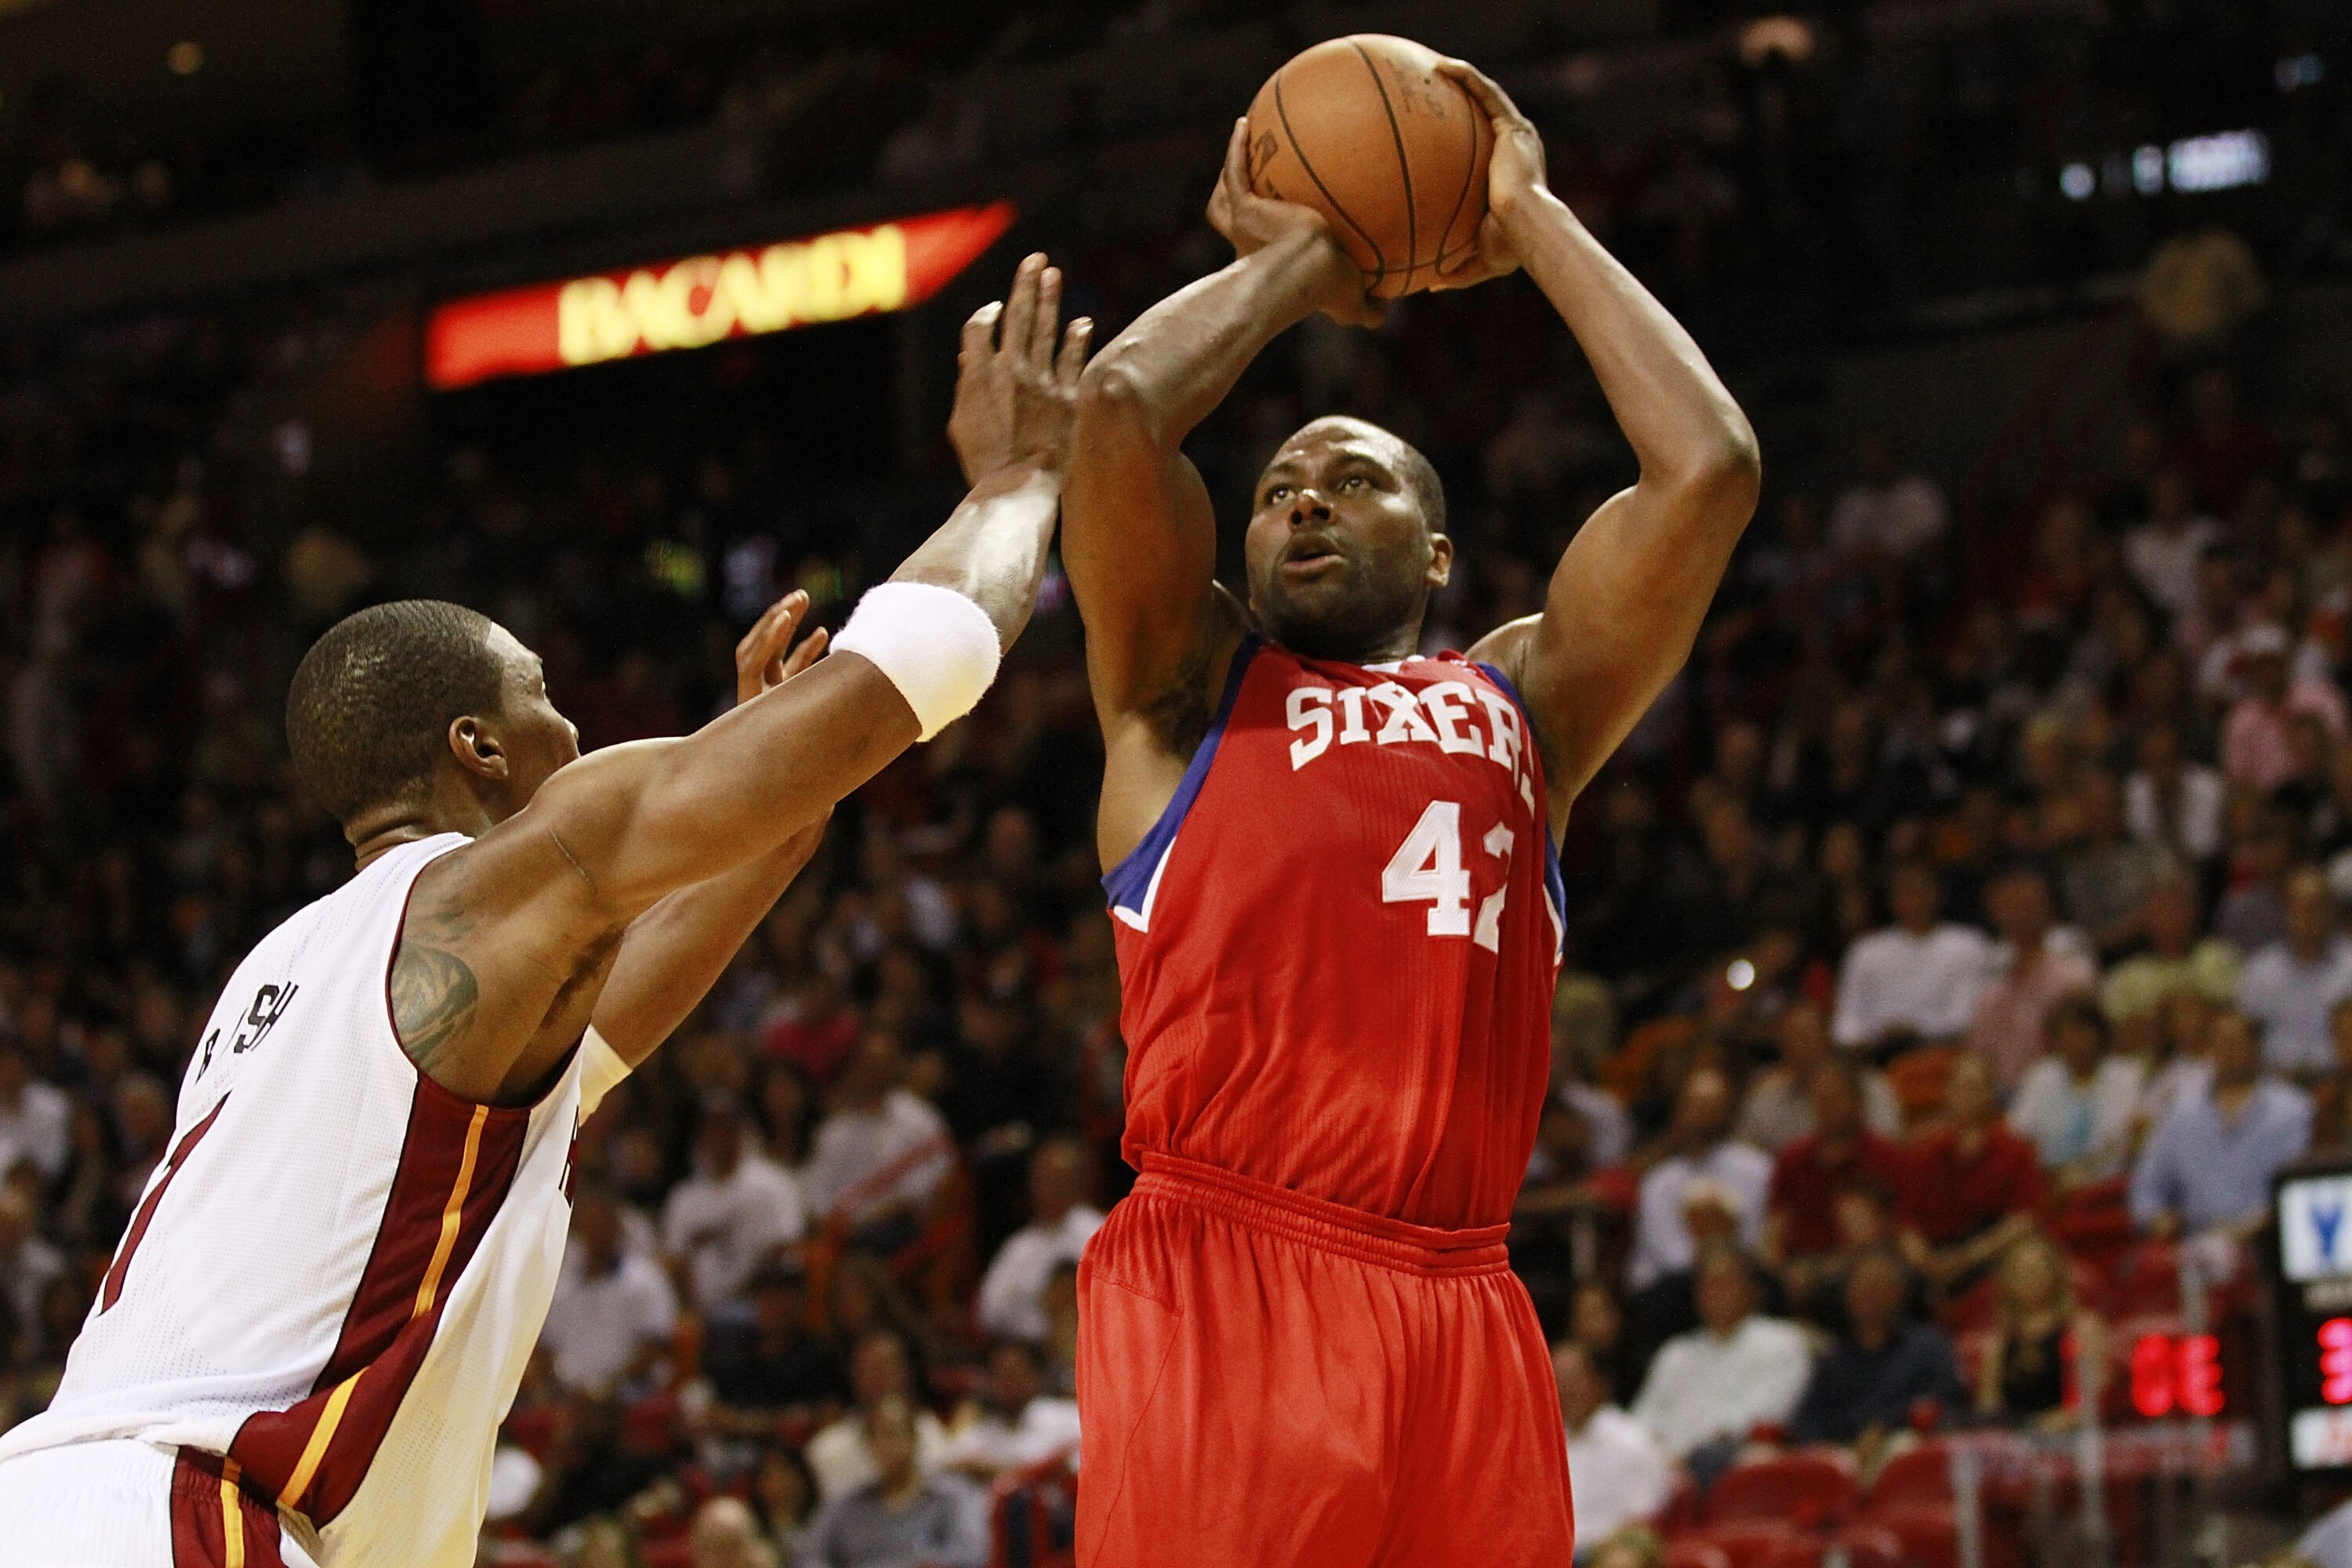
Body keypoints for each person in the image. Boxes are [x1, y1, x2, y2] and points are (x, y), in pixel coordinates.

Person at [0, 256, 1090, 1568]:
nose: (573, 729)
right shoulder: (494, 883)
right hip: (182, 1518)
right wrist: (1018, 482)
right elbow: (914, 671)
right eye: (545, 701)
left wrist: (786, 809)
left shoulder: (284, 978)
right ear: (479, 747)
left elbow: (599, 1044)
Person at [1059, 57, 1758, 1567]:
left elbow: (1708, 468)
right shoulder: (1186, 690)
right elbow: (1117, 412)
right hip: (1231, 1277)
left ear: (1438, 553)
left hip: (1467, 1299)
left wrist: (1529, 212)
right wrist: (1297, 262)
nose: (1304, 498)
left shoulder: (1527, 704)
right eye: (1279, 488)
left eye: (1353, 479)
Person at [2129, 1008, 2313, 1249]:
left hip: (2271, 1242)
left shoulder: (2292, 1109)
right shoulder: (2181, 1113)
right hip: (2195, 1242)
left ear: (2255, 1047)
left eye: (2237, 1042)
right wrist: (2159, 1219)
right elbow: (2146, 1191)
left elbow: (2302, 1188)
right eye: (2221, 1042)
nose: (2229, 1051)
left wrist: (2257, 1226)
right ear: (2209, 1049)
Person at [1630, 1244, 1809, 1480]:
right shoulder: (1675, 1352)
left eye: (1726, 1282)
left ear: (1753, 1290)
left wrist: (1687, 1455)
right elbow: (1644, 1419)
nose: (1716, 1292)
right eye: (1708, 1284)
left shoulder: (1781, 1342)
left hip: (1730, 1468)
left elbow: (1766, 1416)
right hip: (1664, 1471)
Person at [1762, 1058, 1909, 1303]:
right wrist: (1773, 1273)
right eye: (1821, 1098)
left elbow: (1901, 1228)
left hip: (1866, 1264)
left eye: (1836, 1097)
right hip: (1802, 1269)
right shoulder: (1792, 1159)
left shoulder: (1887, 1157)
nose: (1828, 1106)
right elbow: (1775, 1230)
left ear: (1857, 1101)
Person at [1788, 1247, 1965, 1449]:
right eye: (1862, 1286)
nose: (1869, 1294)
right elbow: (1807, 1418)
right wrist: (1823, 1449)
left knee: (1903, 1445)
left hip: (1900, 1443)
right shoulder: (1834, 1358)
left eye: (1879, 1285)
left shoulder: (1927, 1347)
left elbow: (1947, 1395)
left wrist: (1887, 1425)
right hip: (1840, 1451)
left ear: (1901, 1292)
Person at [1898, 1051, 2046, 1290]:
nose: (1966, 1096)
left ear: (1991, 1094)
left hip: (1992, 1252)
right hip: (1934, 1256)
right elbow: (1908, 1224)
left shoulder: (2016, 1152)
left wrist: (1966, 1258)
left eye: (1974, 1087)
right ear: (1947, 1092)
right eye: (1959, 1087)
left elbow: (2025, 1220)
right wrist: (1925, 1263)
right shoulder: (1924, 1153)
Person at [800, 1397, 990, 1568]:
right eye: (879, 1437)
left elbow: (972, 1553)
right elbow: (810, 1556)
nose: (888, 1446)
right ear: (869, 1446)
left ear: (914, 1438)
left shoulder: (951, 1496)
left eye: (894, 1434)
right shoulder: (846, 1504)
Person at [1629, 1067, 1773, 1289]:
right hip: (1675, 1285)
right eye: (1696, 1106)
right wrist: (1706, 1271)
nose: (1703, 1115)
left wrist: (1724, 1269)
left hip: (1740, 1279)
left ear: (1728, 1112)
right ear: (1680, 1111)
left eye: (1712, 1107)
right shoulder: (1658, 1182)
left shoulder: (1758, 1169)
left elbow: (1759, 1235)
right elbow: (1663, 1246)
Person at [661, 1094, 807, 1312]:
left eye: (725, 1127)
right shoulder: (684, 1197)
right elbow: (675, 1261)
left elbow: (787, 1246)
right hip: (704, 1311)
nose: (717, 1136)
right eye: (709, 1128)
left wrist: (742, 1291)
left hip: (762, 1306)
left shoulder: (772, 1184)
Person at [1831, 859, 1994, 1051]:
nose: (1913, 898)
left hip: (1942, 1051)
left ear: (1937, 893)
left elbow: (1966, 1015)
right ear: (1892, 899)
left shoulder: (1968, 945)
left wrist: (1917, 1030)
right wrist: (1868, 1037)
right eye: (1904, 891)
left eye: (1919, 889)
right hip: (1874, 1052)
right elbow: (1847, 1017)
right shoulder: (1866, 950)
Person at [539, 1178, 678, 1398]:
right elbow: (546, 1350)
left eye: (602, 1223)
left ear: (617, 1226)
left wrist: (607, 1388)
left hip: (630, 1392)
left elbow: (654, 1349)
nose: (596, 1231)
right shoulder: (562, 1287)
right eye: (590, 1224)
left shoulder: (645, 1280)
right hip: (571, 1395)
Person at [1965, 864, 2096, 1087]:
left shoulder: (2073, 975)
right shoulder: (1990, 981)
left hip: (2055, 1088)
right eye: (2010, 904)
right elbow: (1976, 1053)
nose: (2019, 912)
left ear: (2046, 907)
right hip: (1997, 1092)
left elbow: (2082, 1046)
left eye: (2026, 903)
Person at [975, 1135, 1105, 1345]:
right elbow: (989, 1313)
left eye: (1059, 1181)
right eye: (1043, 1180)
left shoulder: (1100, 1234)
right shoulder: (1019, 1246)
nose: (1049, 1189)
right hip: (1031, 1349)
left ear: (1078, 1183)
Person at [2006, 994, 2147, 1187]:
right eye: (2069, 1033)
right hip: (2049, 1182)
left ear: (2100, 1034)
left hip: (2109, 1183)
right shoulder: (2041, 1076)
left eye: (2084, 1032)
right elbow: (2019, 1135)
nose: (2077, 1041)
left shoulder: (2126, 1076)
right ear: (2057, 1038)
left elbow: (2133, 1137)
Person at [1974, 1231, 2106, 1430]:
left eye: (2037, 1270)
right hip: (2015, 1437)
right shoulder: (1998, 1344)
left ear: (2055, 1273)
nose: (2031, 1279)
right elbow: (1989, 1408)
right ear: (2007, 1281)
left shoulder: (2082, 1328)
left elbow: (2093, 1397)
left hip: (2068, 1434)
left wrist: (2054, 1424)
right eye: (2022, 1273)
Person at [804, 1329, 949, 1504]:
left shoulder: (927, 1427)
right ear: (854, 1375)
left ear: (905, 1372)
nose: (878, 1377)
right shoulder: (826, 1448)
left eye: (885, 1367)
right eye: (869, 1369)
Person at [1554, 1341, 1671, 1556]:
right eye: (1557, 1379)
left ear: (1600, 1382)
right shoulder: (1551, 1441)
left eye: (1573, 1379)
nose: (1564, 1389)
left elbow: (1644, 1517)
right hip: (1557, 1551)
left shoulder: (1634, 1441)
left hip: (1604, 1552)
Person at [1735, 1000, 1900, 1152]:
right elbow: (1745, 1153)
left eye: (1805, 1038)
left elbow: (1888, 1143)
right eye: (1789, 1040)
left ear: (1827, 1039)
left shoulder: (1869, 1086)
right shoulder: (1769, 1093)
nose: (1796, 1048)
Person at [2238, 866, 2352, 1077]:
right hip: (2274, 1080)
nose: (2308, 916)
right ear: (2286, 911)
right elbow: (2245, 1036)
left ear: (2332, 911)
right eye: (2301, 906)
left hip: (2340, 1081)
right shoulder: (2261, 969)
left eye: (2317, 906)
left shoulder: (2349, 966)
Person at [935, 1338, 1082, 1480]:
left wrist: (992, 1470)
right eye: (999, 1376)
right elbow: (943, 1464)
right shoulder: (983, 1433)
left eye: (1015, 1375)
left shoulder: (1066, 1417)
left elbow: (1075, 1469)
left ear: (1036, 1377)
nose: (1008, 1384)